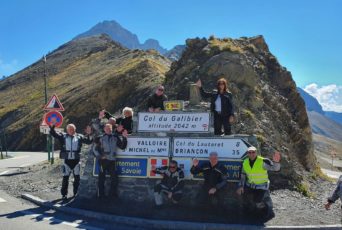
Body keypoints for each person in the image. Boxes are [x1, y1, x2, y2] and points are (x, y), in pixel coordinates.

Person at [50, 123, 93, 199]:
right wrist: (52, 127)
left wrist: (89, 134)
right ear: (67, 130)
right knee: (65, 178)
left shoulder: (79, 136)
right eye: (70, 129)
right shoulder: (63, 136)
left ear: (75, 129)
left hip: (76, 160)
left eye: (72, 129)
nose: (71, 130)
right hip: (66, 160)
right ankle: (64, 194)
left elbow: (89, 142)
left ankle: (75, 193)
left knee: (77, 178)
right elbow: (53, 134)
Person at [236, 146, 281, 219]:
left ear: (256, 152)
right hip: (250, 186)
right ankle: (248, 214)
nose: (251, 154)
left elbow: (275, 169)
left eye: (253, 152)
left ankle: (266, 212)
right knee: (244, 197)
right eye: (250, 152)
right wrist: (240, 186)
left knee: (258, 202)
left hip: (262, 186)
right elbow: (243, 175)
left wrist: (276, 162)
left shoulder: (263, 161)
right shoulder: (245, 162)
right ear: (247, 153)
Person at [93, 123, 128, 199]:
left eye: (110, 128)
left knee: (114, 178)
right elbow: (94, 149)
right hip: (103, 161)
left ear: (112, 129)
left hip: (112, 160)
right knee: (101, 178)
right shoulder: (99, 138)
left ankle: (112, 194)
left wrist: (124, 138)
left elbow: (122, 146)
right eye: (107, 128)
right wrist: (100, 156)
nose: (109, 130)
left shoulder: (115, 137)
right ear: (104, 129)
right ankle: (101, 195)